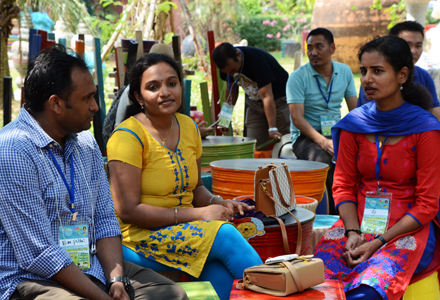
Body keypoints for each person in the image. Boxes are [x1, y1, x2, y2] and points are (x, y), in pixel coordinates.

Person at [0, 45, 188, 300]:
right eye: (86, 98)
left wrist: (117, 280)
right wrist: (102, 297)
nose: (96, 107)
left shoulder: (85, 142)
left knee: (170, 294)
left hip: (90, 264)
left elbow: (104, 220)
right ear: (56, 103)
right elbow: (39, 253)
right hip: (32, 278)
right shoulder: (13, 149)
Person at [107, 53, 263, 300]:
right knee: (225, 235)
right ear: (138, 97)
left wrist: (218, 202)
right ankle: (278, 289)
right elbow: (127, 210)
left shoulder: (188, 126)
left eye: (172, 83)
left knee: (221, 278)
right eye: (153, 87)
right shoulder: (127, 137)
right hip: (139, 236)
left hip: (186, 229)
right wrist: (200, 214)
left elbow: (197, 187)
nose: (165, 92)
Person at [314, 35, 440, 300]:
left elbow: (427, 203)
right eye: (363, 71)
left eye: (377, 71)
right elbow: (343, 186)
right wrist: (351, 232)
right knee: (316, 282)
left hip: (406, 229)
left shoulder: (425, 129)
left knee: (365, 293)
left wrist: (378, 242)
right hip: (355, 225)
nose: (367, 79)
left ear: (402, 75)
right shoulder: (354, 125)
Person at [286, 28, 358, 215]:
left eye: (319, 46)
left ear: (332, 48)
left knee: (362, 158)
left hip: (335, 133)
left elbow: (355, 110)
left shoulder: (344, 72)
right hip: (306, 137)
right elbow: (297, 118)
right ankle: (333, 218)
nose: (313, 52)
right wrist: (324, 141)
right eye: (309, 48)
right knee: (323, 162)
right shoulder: (297, 77)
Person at [212, 42, 290, 148]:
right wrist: (225, 118)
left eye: (233, 70)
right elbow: (231, 90)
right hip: (254, 105)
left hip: (279, 102)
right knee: (254, 146)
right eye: (227, 73)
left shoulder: (257, 60)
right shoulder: (226, 65)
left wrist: (272, 128)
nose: (231, 74)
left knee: (284, 145)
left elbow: (267, 96)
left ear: (238, 55)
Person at [357, 21, 440, 120]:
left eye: (418, 46)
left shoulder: (424, 75)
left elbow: (435, 111)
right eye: (406, 45)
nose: (413, 51)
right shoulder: (371, 82)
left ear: (403, 75)